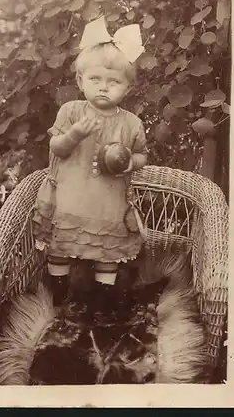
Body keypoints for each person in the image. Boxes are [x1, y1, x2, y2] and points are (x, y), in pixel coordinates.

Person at [33, 16, 148, 313]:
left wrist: (128, 164)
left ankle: (101, 300)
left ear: (128, 87)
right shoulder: (71, 112)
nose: (103, 88)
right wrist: (75, 134)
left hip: (108, 203)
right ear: (80, 81)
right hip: (71, 200)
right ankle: (57, 294)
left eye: (114, 82)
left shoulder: (131, 123)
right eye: (95, 79)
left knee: (107, 254)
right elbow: (56, 148)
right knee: (60, 250)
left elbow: (142, 156)